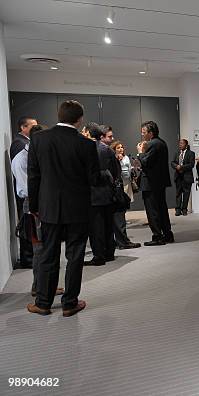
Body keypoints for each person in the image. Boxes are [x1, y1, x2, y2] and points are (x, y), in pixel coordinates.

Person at [27, 100, 104, 316]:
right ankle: (70, 303)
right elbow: (94, 179)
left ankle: (43, 302)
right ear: (80, 120)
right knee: (75, 255)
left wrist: (34, 206)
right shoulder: (87, 145)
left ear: (59, 115)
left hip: (48, 207)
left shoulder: (39, 139)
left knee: (48, 254)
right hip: (78, 208)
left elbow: (33, 176)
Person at [11, 124, 64, 297]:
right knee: (39, 250)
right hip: (33, 207)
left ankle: (47, 285)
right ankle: (39, 287)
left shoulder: (41, 156)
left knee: (49, 247)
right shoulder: (20, 159)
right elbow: (26, 189)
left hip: (46, 204)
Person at [86, 123, 120, 266]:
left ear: (88, 134)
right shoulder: (108, 150)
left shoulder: (87, 149)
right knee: (107, 225)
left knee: (96, 228)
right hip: (108, 193)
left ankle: (99, 255)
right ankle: (109, 253)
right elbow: (115, 171)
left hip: (93, 194)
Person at [137, 121, 174, 246]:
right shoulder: (161, 142)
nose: (142, 135)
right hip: (159, 182)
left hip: (151, 183)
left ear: (150, 133)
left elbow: (146, 162)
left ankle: (157, 236)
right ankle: (167, 234)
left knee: (152, 210)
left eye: (144, 133)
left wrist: (140, 152)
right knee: (161, 208)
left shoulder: (153, 144)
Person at [10, 116, 38, 269]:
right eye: (32, 126)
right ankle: (28, 258)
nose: (35, 128)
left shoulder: (23, 142)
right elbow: (21, 173)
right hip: (26, 193)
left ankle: (30, 257)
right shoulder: (19, 144)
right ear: (23, 127)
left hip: (29, 193)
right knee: (28, 228)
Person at [110, 140, 140, 250]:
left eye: (122, 147)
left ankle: (121, 239)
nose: (121, 149)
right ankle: (122, 241)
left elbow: (128, 171)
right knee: (119, 214)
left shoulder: (126, 157)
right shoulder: (113, 158)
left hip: (126, 185)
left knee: (123, 211)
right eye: (118, 148)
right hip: (118, 187)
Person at [171, 139, 195, 216]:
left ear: (186, 145)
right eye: (179, 143)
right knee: (178, 193)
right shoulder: (177, 153)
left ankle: (184, 209)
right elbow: (172, 162)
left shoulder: (191, 153)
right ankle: (178, 209)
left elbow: (191, 164)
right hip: (178, 176)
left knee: (186, 193)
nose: (180, 145)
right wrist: (176, 166)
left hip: (187, 177)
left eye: (182, 143)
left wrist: (181, 167)